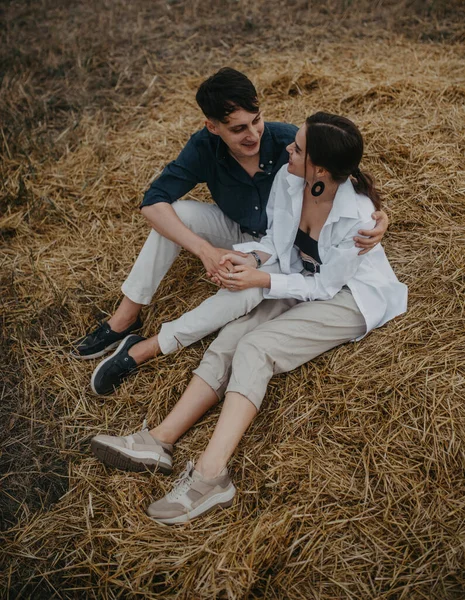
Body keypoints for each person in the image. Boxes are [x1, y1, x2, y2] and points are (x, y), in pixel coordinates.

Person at [90, 112, 408, 524]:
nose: (287, 150)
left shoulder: (359, 217)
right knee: (230, 339)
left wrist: (262, 279)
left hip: (350, 297)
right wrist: (247, 262)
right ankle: (158, 440)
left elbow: (326, 288)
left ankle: (210, 476)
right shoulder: (291, 179)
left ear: (322, 169)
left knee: (257, 348)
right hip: (298, 277)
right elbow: (277, 242)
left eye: (297, 149)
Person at [71, 68, 389, 394]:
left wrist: (377, 217)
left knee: (248, 291)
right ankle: (125, 318)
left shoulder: (286, 144)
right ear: (213, 127)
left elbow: (340, 171)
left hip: (279, 247)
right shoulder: (203, 147)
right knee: (178, 213)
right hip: (235, 229)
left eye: (256, 120)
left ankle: (151, 346)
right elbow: (153, 203)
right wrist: (205, 251)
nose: (252, 134)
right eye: (238, 129)